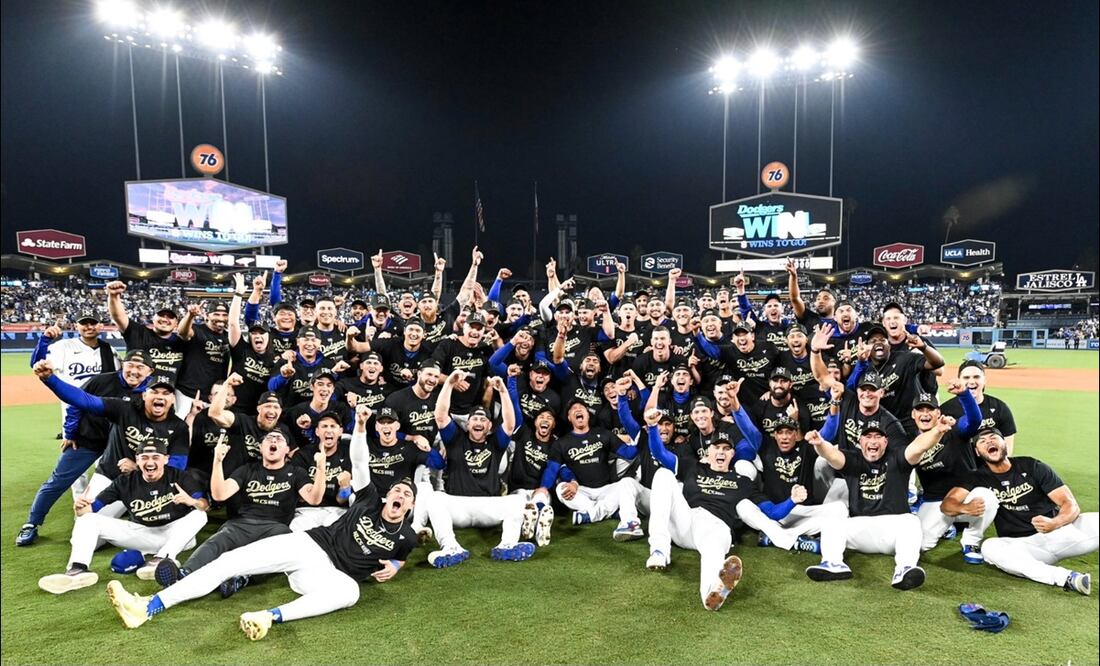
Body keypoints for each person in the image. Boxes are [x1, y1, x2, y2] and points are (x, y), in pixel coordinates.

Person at [107, 478, 418, 640]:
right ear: (387, 496)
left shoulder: (407, 537)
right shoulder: (367, 504)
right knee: (229, 561)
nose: (400, 495)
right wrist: (362, 427)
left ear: (411, 506)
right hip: (308, 545)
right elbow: (361, 461)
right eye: (398, 490)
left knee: (351, 592)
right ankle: (147, 606)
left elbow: (400, 558)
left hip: (329, 575)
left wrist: (394, 566)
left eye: (407, 494)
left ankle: (267, 617)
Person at [642, 408, 801, 611]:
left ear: (732, 454)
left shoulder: (742, 481)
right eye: (717, 448)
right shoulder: (693, 468)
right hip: (687, 521)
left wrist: (792, 500)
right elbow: (659, 453)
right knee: (663, 475)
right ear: (709, 452)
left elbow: (772, 512)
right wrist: (654, 428)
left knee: (714, 548)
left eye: (726, 449)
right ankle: (659, 550)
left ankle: (712, 593)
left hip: (717, 526)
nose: (721, 452)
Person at [153, 429, 326, 594]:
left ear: (287, 450)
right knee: (216, 542)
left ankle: (242, 579)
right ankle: (183, 574)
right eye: (269, 438)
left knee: (282, 546)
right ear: (260, 447)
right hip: (241, 524)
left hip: (275, 527)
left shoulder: (296, 472)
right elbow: (220, 494)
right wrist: (218, 461)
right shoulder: (248, 469)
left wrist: (320, 468)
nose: (273, 440)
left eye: (279, 439)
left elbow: (314, 498)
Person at [803, 415, 958, 590]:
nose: (873, 441)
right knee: (833, 520)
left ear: (886, 442)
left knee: (911, 521)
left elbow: (918, 446)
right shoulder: (853, 459)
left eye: (878, 437)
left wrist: (937, 430)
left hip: (891, 531)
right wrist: (819, 443)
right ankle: (832, 563)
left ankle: (905, 569)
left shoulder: (898, 458)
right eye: (868, 437)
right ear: (860, 441)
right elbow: (832, 455)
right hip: (861, 528)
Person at [16, 350, 153, 547]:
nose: (134, 371)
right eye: (130, 365)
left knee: (132, 480)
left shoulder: (151, 392)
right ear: (122, 364)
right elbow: (76, 403)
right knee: (58, 481)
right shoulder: (101, 381)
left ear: (149, 371)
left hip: (120, 448)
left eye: (140, 367)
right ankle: (31, 523)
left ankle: (133, 519)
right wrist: (70, 433)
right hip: (87, 439)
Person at [941, 427, 1097, 595]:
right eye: (982, 441)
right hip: (1022, 546)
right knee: (989, 547)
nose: (989, 442)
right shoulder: (977, 476)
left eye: (994, 437)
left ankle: (1039, 567)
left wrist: (1055, 522)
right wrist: (964, 508)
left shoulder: (1031, 466)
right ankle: (1068, 578)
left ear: (1004, 444)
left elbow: (1070, 503)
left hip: (1059, 534)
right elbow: (947, 505)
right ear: (978, 452)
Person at [37, 442, 208, 594]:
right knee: (88, 520)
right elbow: (92, 508)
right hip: (143, 534)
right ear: (137, 460)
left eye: (156, 457)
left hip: (176, 534)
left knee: (199, 515)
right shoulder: (125, 481)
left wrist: (192, 501)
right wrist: (80, 509)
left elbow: (204, 505)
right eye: (144, 457)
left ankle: (162, 560)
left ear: (165, 459)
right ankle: (77, 571)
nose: (150, 462)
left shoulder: (180, 477)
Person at [33, 361, 190, 505]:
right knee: (86, 517)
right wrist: (50, 379)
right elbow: (83, 400)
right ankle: (32, 524)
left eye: (165, 393)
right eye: (154, 391)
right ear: (144, 395)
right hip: (109, 474)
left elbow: (177, 467)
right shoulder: (125, 409)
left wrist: (138, 467)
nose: (159, 396)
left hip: (149, 480)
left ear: (173, 400)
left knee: (158, 518)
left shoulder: (178, 427)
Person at [422, 371, 536, 566]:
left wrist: (503, 392)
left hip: (488, 505)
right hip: (458, 505)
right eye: (475, 419)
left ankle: (506, 546)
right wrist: (449, 383)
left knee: (517, 500)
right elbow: (440, 416)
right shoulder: (455, 439)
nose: (479, 422)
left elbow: (510, 425)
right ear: (468, 424)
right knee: (433, 497)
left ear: (489, 426)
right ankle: (450, 547)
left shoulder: (496, 442)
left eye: (483, 420)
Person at [31, 312, 120, 433]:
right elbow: (37, 364)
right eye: (83, 323)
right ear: (75, 326)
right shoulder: (63, 347)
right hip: (74, 418)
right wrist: (45, 339)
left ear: (101, 326)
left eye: (93, 323)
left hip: (105, 416)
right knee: (73, 450)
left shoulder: (109, 350)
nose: (88, 327)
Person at [106, 281, 185, 379]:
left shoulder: (182, 342)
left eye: (170, 317)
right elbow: (118, 316)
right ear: (153, 318)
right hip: (138, 391)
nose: (165, 319)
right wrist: (113, 296)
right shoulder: (138, 333)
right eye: (161, 315)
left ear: (176, 323)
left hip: (169, 392)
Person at [940, 360, 1018, 455]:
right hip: (961, 466)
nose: (972, 381)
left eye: (976, 377)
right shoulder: (946, 409)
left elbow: (1008, 445)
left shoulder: (999, 407)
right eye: (966, 377)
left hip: (991, 465)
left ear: (984, 380)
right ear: (959, 381)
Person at [174, 301, 230, 417]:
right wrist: (190, 315)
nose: (221, 318)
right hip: (188, 393)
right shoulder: (197, 329)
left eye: (224, 315)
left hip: (212, 396)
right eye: (216, 314)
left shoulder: (228, 337)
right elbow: (182, 332)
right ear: (206, 315)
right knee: (182, 428)